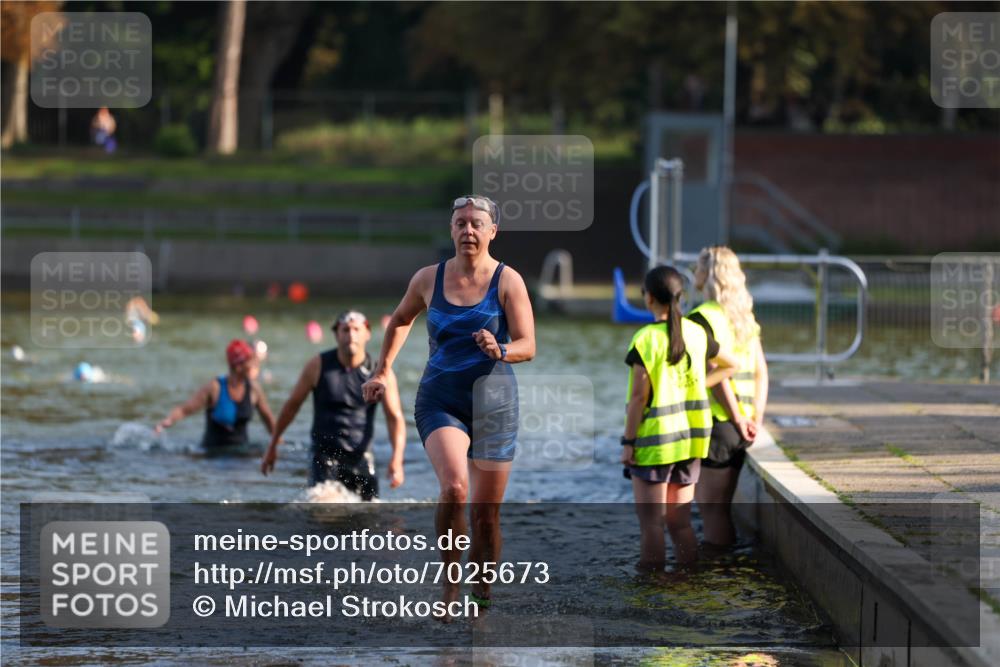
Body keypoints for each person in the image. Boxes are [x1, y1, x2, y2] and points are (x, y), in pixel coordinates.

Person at [361, 195, 535, 615]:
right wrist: (383, 370)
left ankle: (482, 593)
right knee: (455, 488)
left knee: (486, 517)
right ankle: (450, 585)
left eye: (476, 224)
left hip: (495, 405)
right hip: (441, 400)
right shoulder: (428, 278)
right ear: (451, 229)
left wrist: (501, 348)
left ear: (493, 231)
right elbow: (401, 319)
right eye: (460, 224)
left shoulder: (508, 281)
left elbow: (529, 345)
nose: (467, 231)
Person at [621, 265, 740, 572]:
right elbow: (731, 364)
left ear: (649, 299)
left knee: (652, 525)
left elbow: (637, 399)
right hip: (690, 443)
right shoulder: (697, 333)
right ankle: (688, 580)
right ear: (679, 298)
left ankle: (652, 589)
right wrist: (701, 383)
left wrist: (628, 443)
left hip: (654, 444)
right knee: (680, 522)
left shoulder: (645, 339)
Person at [260, 310, 406, 501]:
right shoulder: (318, 365)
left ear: (367, 334)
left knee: (369, 519)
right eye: (345, 330)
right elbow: (292, 405)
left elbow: (394, 417)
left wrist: (397, 458)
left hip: (362, 457)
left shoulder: (379, 372)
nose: (351, 335)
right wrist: (273, 445)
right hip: (324, 457)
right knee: (325, 510)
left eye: (356, 329)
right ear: (336, 335)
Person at [689, 246, 769, 548]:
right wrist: (753, 419)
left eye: (697, 267)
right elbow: (761, 372)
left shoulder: (702, 318)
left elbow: (716, 376)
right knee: (721, 509)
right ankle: (726, 573)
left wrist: (735, 418)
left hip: (719, 423)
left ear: (709, 274)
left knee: (711, 510)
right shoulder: (744, 318)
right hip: (742, 425)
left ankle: (715, 581)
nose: (694, 272)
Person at [155, 339, 276, 452]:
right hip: (212, 456)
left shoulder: (254, 389)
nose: (256, 366)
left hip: (241, 455)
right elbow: (184, 410)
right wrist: (169, 420)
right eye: (251, 363)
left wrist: (279, 442)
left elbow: (269, 420)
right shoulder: (215, 388)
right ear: (238, 366)